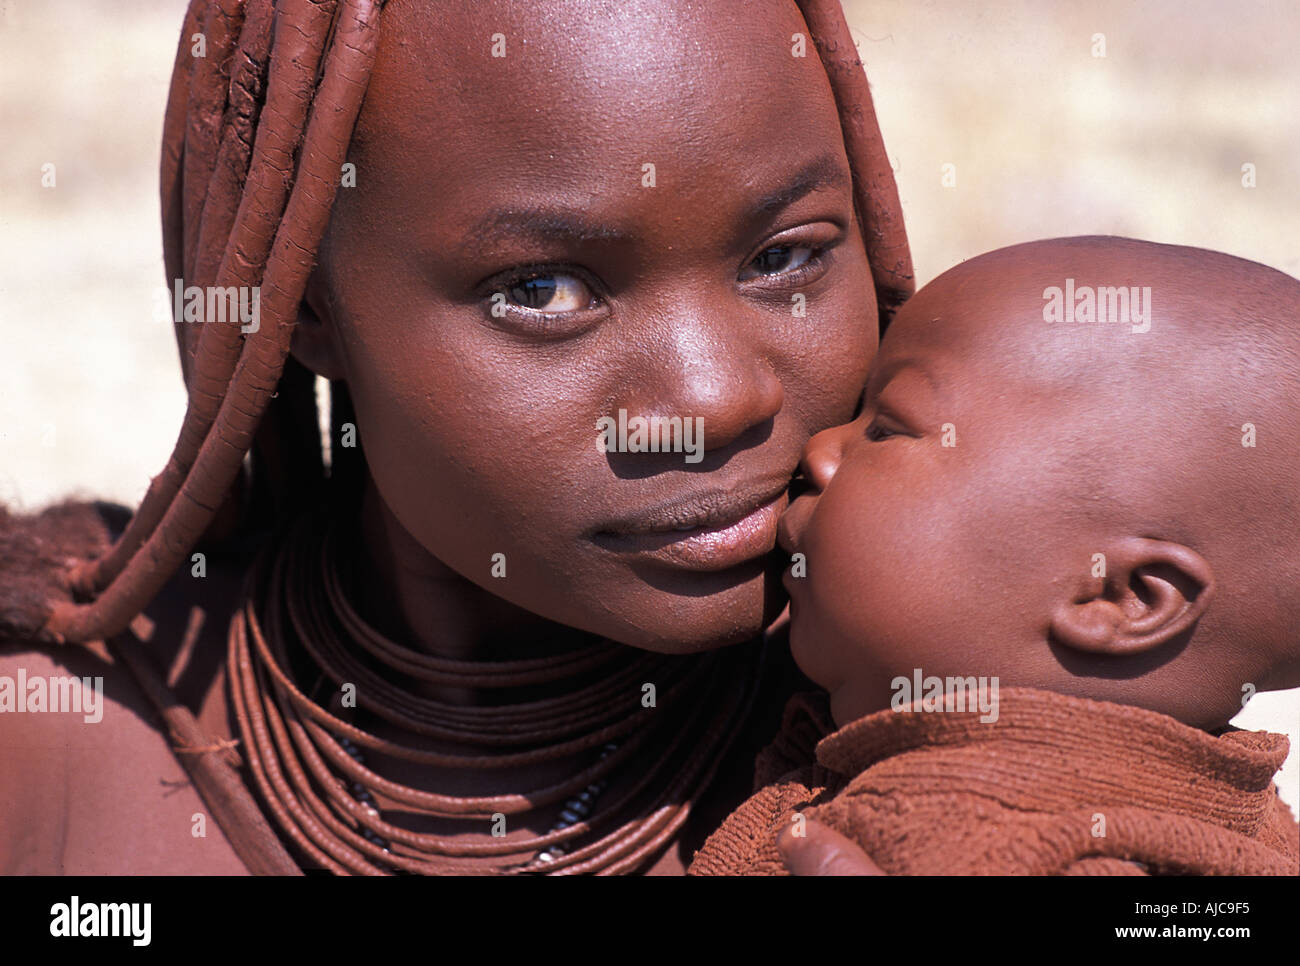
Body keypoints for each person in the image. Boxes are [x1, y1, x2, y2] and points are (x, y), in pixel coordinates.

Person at [0, 0, 913, 874]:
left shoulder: (944, 745)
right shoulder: (60, 741)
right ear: (308, 311)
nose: (715, 401)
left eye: (783, 256)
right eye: (544, 290)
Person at [690, 237, 1300, 875]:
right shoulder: (1239, 820)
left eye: (885, 428)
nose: (820, 450)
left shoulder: (1036, 851)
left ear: (1116, 598)